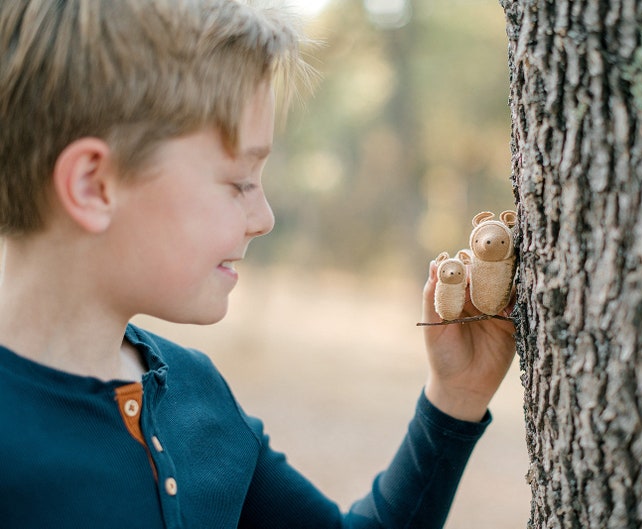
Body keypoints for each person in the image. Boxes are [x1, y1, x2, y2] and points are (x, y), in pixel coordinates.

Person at [0, 1, 517, 527]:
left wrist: (456, 396)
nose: (264, 218)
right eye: (239, 181)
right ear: (93, 184)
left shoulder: (192, 392)